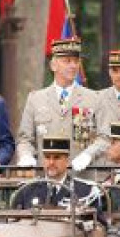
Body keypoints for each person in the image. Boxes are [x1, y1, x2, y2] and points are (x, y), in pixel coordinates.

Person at [15, 38, 97, 166]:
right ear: (53, 66)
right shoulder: (36, 99)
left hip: (81, 177)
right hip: (47, 175)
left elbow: (104, 137)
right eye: (67, 61)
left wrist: (89, 154)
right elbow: (25, 139)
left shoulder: (93, 98)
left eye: (76, 61)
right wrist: (26, 155)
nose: (73, 66)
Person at [11, 136, 102, 211]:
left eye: (57, 158)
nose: (51, 162)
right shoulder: (27, 190)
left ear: (67, 161)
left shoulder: (85, 191)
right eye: (47, 157)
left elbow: (99, 227)